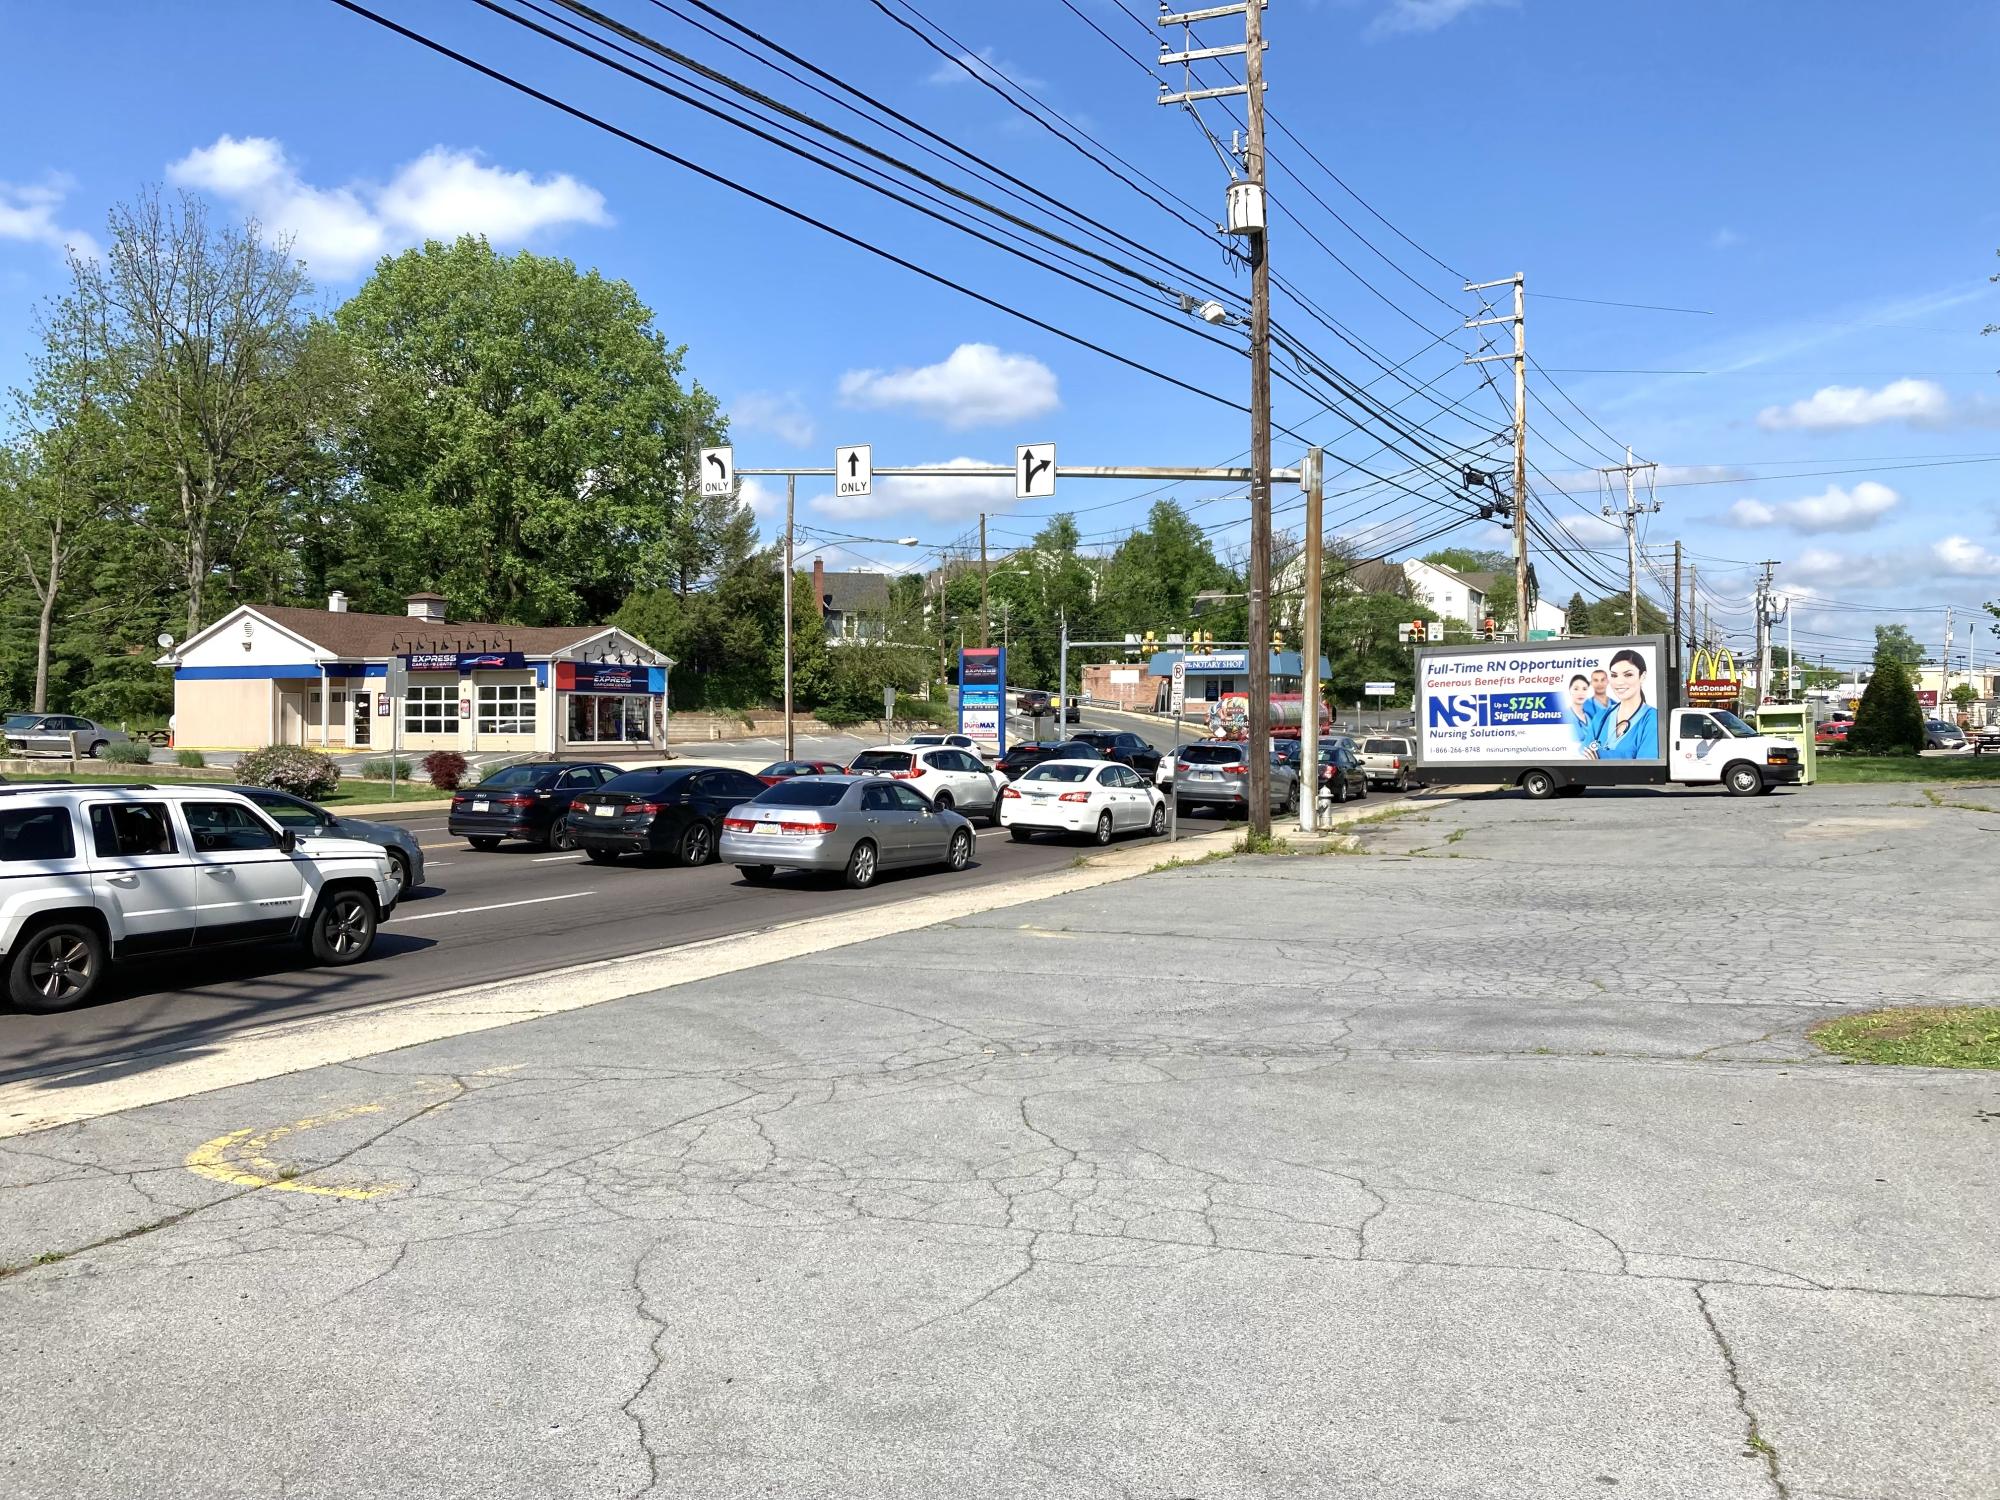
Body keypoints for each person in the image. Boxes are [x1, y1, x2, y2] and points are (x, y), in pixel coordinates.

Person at [1594, 649, 1657, 760]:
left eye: (1628, 675)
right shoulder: (1602, 716)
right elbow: (1582, 757)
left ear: (1642, 676)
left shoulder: (1652, 718)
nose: (1619, 682)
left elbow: (1645, 767)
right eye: (1614, 675)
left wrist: (1596, 764)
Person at [1563, 673, 1601, 749]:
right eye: (1576, 689)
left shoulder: (1589, 716)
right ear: (1570, 690)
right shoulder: (1565, 716)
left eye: (1584, 689)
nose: (1580, 693)